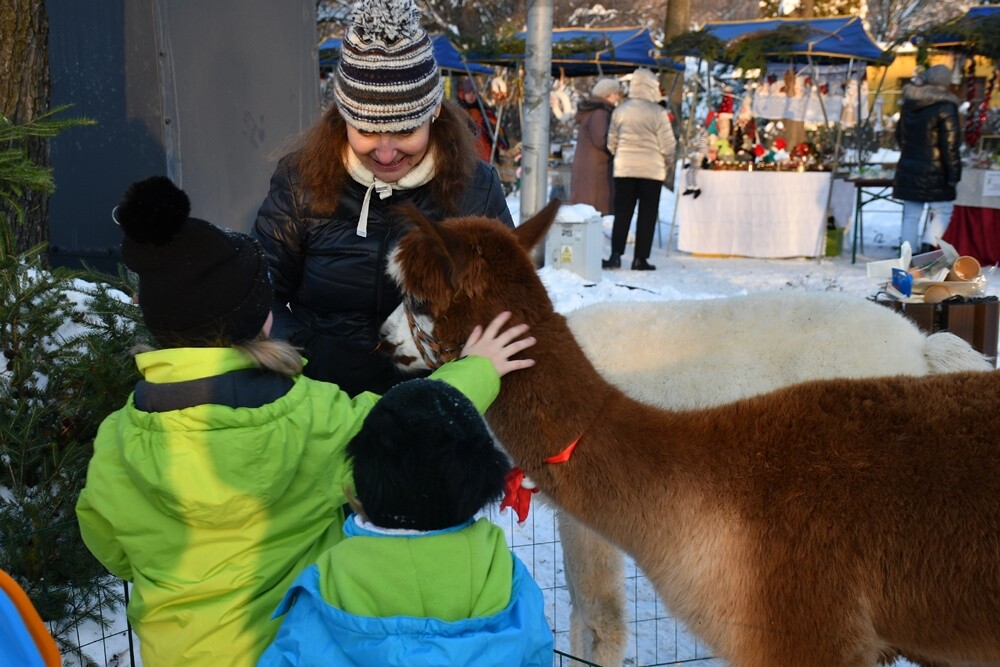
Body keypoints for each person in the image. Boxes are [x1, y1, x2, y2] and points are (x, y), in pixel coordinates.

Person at [75, 176, 535, 666]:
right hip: (292, 651)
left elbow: (108, 545)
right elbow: (401, 424)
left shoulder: (118, 439)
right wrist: (480, 368)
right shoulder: (308, 417)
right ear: (263, 320)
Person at [252, 0, 513, 397]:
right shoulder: (299, 182)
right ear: (343, 117)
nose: (386, 153)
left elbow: (506, 299)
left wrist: (462, 362)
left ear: (433, 113)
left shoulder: (477, 190)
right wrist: (307, 354)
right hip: (320, 400)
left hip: (434, 400)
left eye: (405, 131)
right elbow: (257, 291)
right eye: (367, 131)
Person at [258, 379, 554, 666]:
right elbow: (535, 653)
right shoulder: (505, 577)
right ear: (478, 485)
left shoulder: (326, 585)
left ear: (365, 480)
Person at [603, 68, 676, 271]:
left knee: (622, 213)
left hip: (624, 169)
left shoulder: (620, 111)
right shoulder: (658, 113)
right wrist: (666, 162)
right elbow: (669, 145)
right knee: (647, 215)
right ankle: (640, 259)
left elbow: (611, 142)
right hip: (651, 171)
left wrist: (620, 154)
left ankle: (615, 255)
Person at [892, 64, 962, 254]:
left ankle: (907, 256)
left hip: (909, 166)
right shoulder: (946, 106)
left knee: (911, 215)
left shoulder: (910, 103)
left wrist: (910, 153)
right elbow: (950, 145)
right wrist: (954, 174)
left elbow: (899, 135)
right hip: (937, 171)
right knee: (943, 210)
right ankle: (927, 247)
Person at [569, 78, 621, 215]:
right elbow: (602, 140)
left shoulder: (592, 111)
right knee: (597, 210)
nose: (617, 97)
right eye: (615, 94)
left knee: (586, 209)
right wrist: (618, 144)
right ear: (606, 94)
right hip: (596, 170)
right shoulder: (601, 113)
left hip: (589, 167)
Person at [458, 77, 508, 164]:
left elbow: (497, 130)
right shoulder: (458, 111)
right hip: (464, 153)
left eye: (474, 92)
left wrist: (502, 145)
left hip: (484, 153)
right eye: (468, 92)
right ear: (463, 94)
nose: (471, 96)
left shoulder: (485, 112)